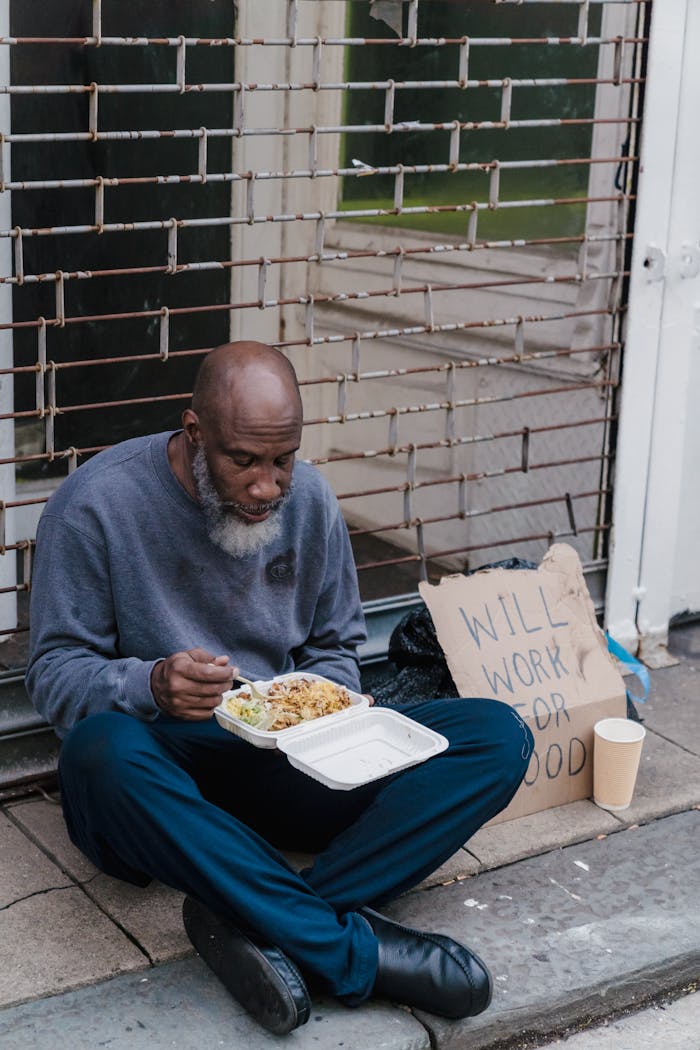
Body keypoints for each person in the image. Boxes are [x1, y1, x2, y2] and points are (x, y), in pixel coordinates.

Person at [27, 341, 534, 1035]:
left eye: (282, 460)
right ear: (195, 432)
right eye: (244, 461)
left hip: (289, 758)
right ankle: (347, 953)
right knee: (99, 751)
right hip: (163, 770)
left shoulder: (311, 500)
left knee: (496, 737)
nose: (267, 487)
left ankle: (261, 916)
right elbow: (54, 676)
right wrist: (151, 683)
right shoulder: (94, 505)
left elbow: (334, 647)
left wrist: (322, 706)